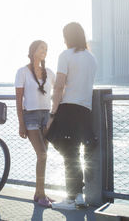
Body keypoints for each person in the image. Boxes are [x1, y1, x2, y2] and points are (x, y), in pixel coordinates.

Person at [46, 22, 97, 210]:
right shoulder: (92, 58)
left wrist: (52, 113)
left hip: (67, 108)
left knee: (67, 151)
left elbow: (59, 86)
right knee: (73, 153)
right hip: (85, 110)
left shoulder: (65, 55)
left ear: (68, 37)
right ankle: (79, 196)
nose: (63, 39)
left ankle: (70, 199)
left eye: (64, 35)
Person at [15, 40, 56, 208]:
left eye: (46, 49)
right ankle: (41, 194)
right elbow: (18, 100)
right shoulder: (22, 72)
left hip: (46, 117)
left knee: (43, 156)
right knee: (42, 154)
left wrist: (54, 114)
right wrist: (21, 123)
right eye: (41, 48)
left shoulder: (50, 72)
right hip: (30, 117)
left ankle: (39, 193)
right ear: (33, 51)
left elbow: (60, 91)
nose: (44, 51)